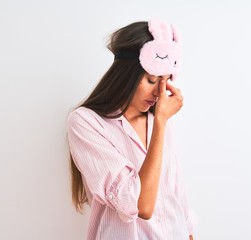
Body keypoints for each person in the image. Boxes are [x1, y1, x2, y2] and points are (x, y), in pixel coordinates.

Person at [67, 19, 194, 240]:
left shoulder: (159, 120)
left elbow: (176, 193)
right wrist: (161, 123)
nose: (159, 92)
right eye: (152, 80)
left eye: (164, 81)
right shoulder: (85, 122)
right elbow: (140, 205)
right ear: (126, 75)